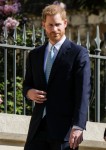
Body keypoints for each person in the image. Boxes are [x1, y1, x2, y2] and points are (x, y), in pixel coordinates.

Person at [23, 4, 91, 150]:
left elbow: (83, 92)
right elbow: (26, 85)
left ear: (65, 23)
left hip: (65, 131)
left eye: (58, 24)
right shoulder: (35, 55)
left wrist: (79, 125)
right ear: (44, 25)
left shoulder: (78, 53)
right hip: (38, 128)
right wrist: (29, 93)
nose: (54, 29)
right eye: (50, 25)